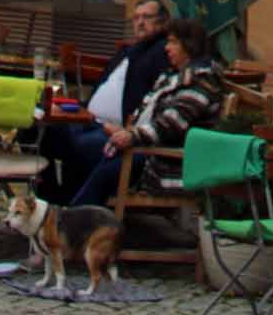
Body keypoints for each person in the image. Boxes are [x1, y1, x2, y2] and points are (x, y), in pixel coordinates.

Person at [61, 16, 223, 210]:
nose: (166, 48)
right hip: (144, 146)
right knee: (73, 143)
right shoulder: (174, 75)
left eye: (172, 42)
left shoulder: (200, 79)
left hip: (164, 161)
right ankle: (68, 211)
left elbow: (172, 123)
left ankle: (73, 220)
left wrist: (131, 135)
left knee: (89, 153)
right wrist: (126, 131)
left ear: (189, 45)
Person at [36, 0, 172, 204]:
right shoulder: (128, 52)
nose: (140, 22)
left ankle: (65, 205)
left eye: (147, 17)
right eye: (136, 18)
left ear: (162, 22)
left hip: (114, 133)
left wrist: (125, 130)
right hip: (86, 120)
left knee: (76, 145)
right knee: (37, 130)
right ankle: (51, 199)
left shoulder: (162, 53)